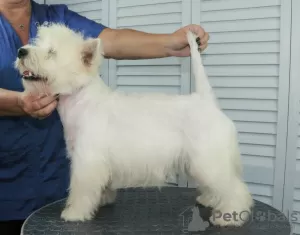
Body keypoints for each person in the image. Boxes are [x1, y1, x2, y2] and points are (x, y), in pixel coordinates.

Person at [0, 0, 209, 234]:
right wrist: (15, 102)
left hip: (53, 181)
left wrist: (169, 43)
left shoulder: (54, 17)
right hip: (6, 184)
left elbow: (113, 40)